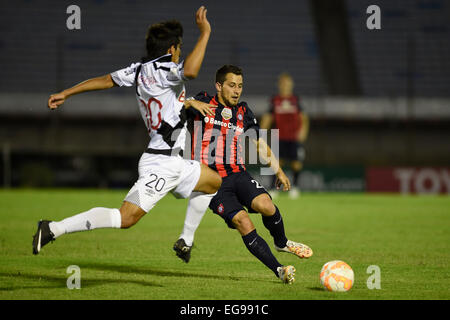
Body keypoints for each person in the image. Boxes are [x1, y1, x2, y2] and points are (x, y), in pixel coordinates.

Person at [32, 6, 222, 255]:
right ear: (170, 49)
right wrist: (205, 33)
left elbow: (105, 80)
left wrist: (66, 92)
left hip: (173, 160)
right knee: (125, 218)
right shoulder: (167, 71)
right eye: (179, 48)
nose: (180, 53)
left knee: (213, 182)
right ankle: (53, 228)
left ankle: (185, 240)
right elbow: (191, 71)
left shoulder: (139, 70)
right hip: (161, 162)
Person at [173, 65, 313, 284]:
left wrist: (278, 170)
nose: (237, 90)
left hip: (238, 174)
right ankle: (279, 270)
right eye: (231, 85)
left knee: (267, 205)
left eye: (240, 86)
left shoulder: (244, 111)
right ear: (218, 86)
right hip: (212, 181)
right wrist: (191, 102)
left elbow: (259, 144)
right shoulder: (202, 102)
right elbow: (169, 105)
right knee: (243, 221)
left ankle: (282, 242)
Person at [260, 72, 309, 199]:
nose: (286, 85)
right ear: (279, 85)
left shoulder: (295, 100)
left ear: (291, 84)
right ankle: (273, 188)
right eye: (283, 83)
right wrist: (261, 132)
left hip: (293, 137)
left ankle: (295, 187)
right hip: (278, 137)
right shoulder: (275, 100)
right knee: (277, 163)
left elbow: (303, 118)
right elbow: (268, 117)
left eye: (288, 83)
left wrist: (303, 131)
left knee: (296, 163)